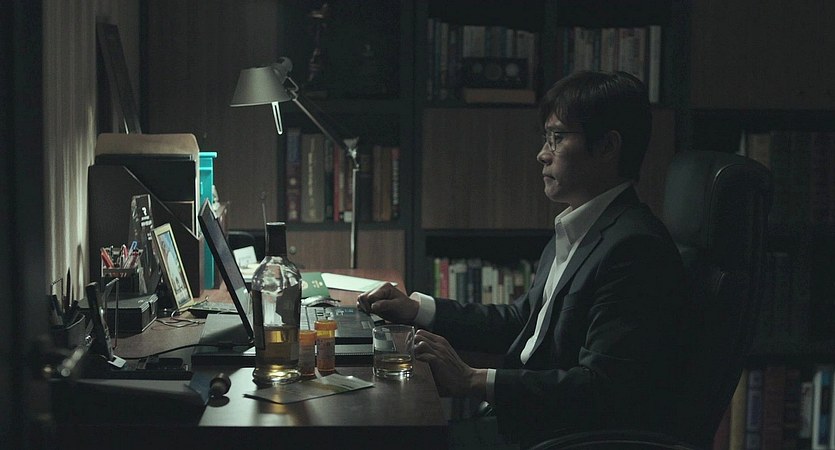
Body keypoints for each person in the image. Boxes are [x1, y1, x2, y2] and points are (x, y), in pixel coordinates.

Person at [358, 71, 692, 447]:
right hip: (521, 425)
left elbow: (603, 387)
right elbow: (523, 322)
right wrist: (417, 309)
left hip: (552, 437)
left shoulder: (634, 248)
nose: (542, 153)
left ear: (607, 146)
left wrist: (472, 379)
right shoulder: (583, 225)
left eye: (557, 138)